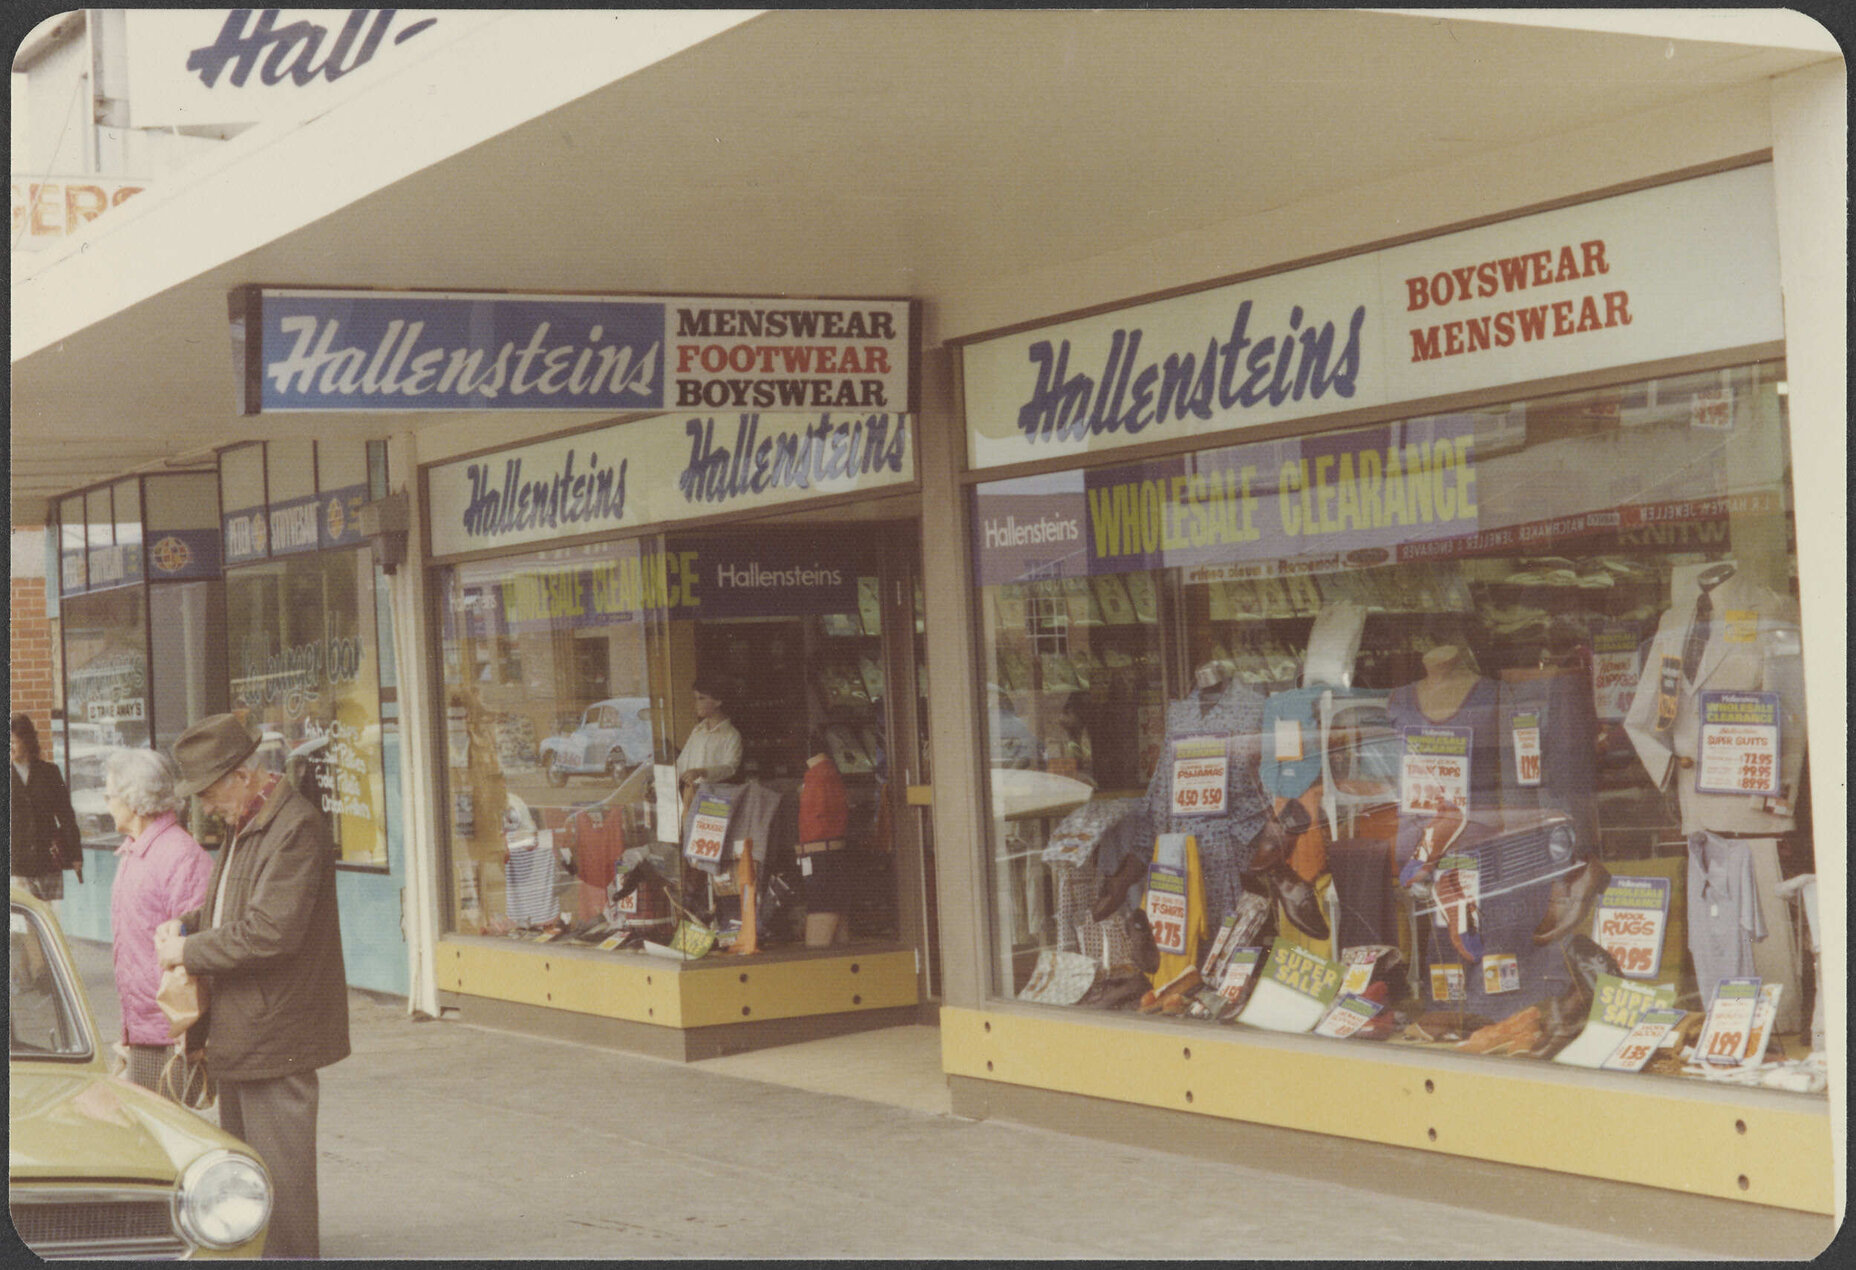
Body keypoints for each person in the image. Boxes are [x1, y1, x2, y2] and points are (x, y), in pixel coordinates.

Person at [153, 713, 349, 1260]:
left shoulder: (295, 827)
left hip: (277, 1034)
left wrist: (186, 951)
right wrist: (189, 924)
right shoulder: (248, 822)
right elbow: (231, 907)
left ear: (244, 775)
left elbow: (271, 932)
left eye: (210, 794)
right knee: (246, 1185)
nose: (205, 808)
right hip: (247, 1031)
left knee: (279, 1191)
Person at [104, 748, 215, 1092]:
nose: (106, 803)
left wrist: (193, 1040)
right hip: (144, 1032)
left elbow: (199, 954)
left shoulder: (180, 857)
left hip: (172, 1037)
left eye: (110, 795)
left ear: (134, 801)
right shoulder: (135, 850)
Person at [10, 713, 82, 900]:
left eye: (12, 741)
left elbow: (66, 816)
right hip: (16, 864)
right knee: (23, 921)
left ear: (26, 741)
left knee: (49, 917)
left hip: (48, 860)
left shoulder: (49, 773)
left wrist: (75, 854)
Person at [675, 677, 743, 804]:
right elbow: (682, 763)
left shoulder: (731, 735)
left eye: (701, 698)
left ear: (718, 701)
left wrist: (703, 772)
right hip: (691, 793)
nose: (696, 703)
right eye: (695, 698)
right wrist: (658, 783)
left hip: (715, 797)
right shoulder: (698, 731)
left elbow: (730, 767)